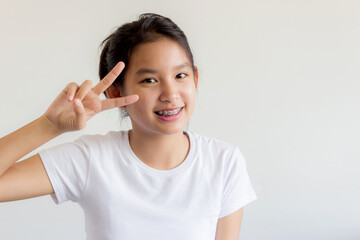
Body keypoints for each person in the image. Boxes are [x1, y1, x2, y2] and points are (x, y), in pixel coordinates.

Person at [0, 13, 257, 239]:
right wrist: (49, 125)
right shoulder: (92, 159)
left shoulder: (224, 162)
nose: (170, 93)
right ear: (114, 93)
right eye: (149, 80)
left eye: (180, 75)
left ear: (195, 78)